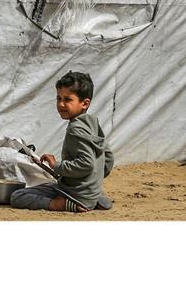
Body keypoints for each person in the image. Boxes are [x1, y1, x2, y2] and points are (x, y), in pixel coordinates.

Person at [9, 71, 113, 213]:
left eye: (68, 100)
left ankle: (61, 204)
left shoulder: (75, 129)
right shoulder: (92, 122)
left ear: (85, 103)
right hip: (90, 192)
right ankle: (92, 199)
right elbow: (108, 157)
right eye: (58, 98)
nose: (61, 104)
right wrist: (92, 184)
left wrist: (56, 165)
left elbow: (86, 164)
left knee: (18, 196)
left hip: (74, 193)